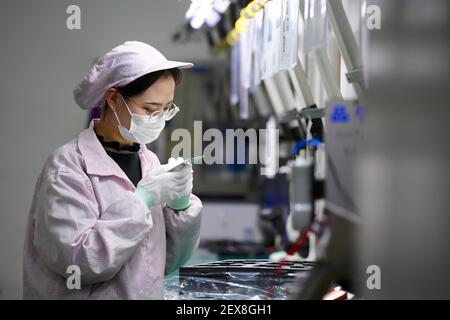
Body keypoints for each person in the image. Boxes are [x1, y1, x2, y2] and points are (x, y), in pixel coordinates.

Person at [23, 41, 202, 299]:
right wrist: (141, 202)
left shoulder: (149, 161)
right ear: (114, 99)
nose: (159, 119)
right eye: (150, 109)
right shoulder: (67, 166)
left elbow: (168, 262)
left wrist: (181, 208)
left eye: (166, 109)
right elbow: (80, 263)